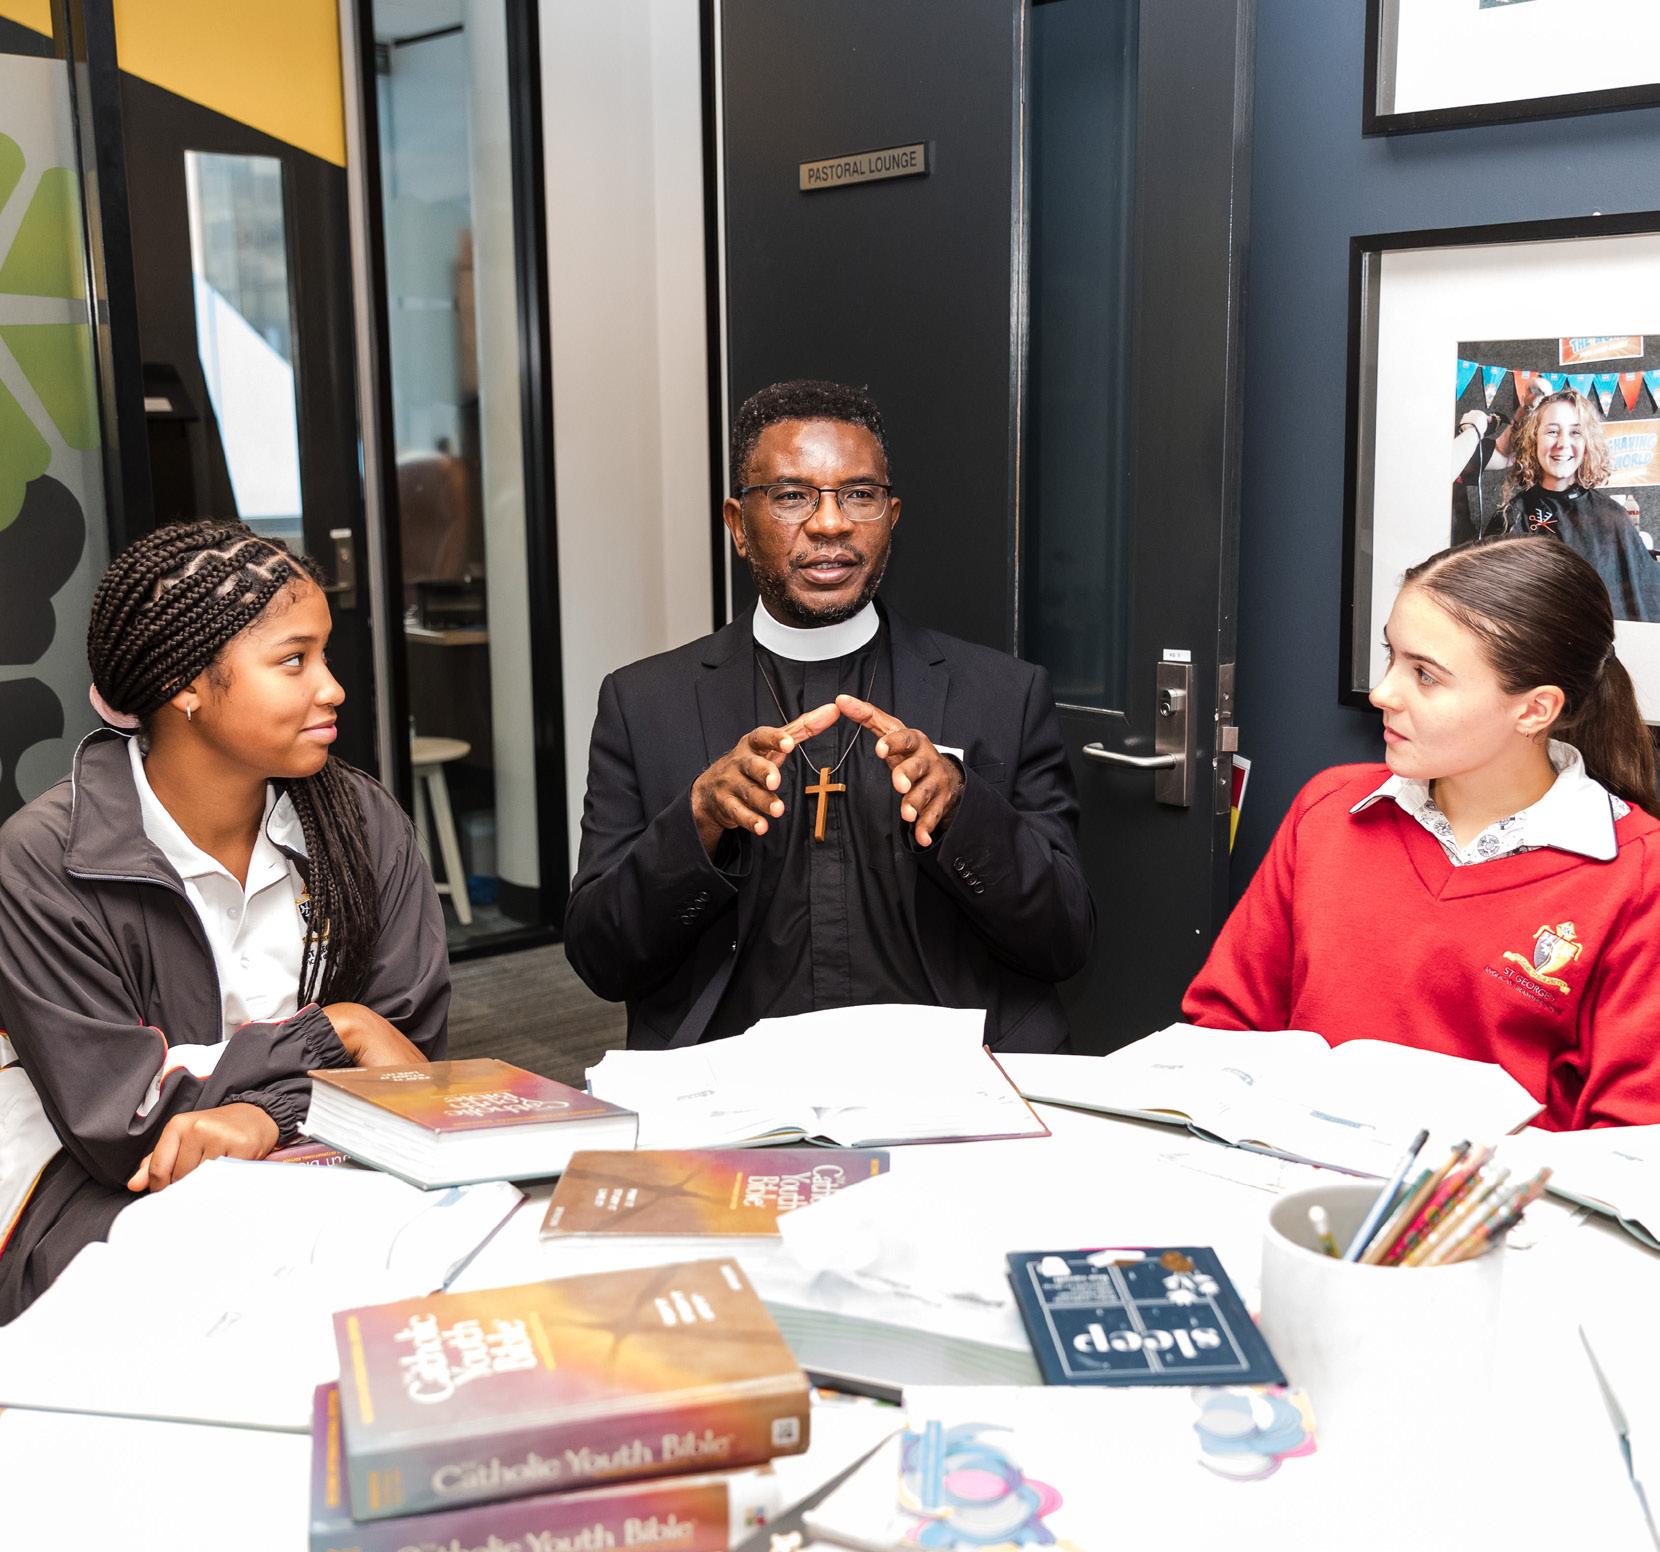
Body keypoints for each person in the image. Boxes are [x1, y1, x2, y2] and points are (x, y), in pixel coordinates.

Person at [0, 520, 447, 1322]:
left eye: (324, 654)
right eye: (294, 660)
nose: (332, 687)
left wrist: (263, 1112)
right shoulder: (44, 859)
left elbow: (407, 1061)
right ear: (186, 685)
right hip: (105, 1204)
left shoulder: (360, 821)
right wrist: (334, 1031)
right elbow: (127, 1124)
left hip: (329, 1169)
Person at [564, 379, 1094, 1052]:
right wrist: (697, 823)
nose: (831, 524)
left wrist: (965, 811)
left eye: (859, 495)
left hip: (951, 1075)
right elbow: (601, 958)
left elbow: (1064, 940)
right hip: (730, 1080)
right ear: (737, 525)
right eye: (792, 495)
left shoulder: (1002, 694)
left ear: (891, 516)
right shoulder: (644, 704)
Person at [1184, 536, 1660, 1130]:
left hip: (1482, 1191)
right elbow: (1224, 1025)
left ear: (1534, 710)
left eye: (1426, 676)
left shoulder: (1639, 874)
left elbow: (1631, 1134)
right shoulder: (1329, 808)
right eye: (1392, 657)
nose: (1383, 693)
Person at [1485, 388, 1660, 621]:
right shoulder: (1511, 517)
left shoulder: (1612, 516)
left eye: (1575, 432)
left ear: (1587, 443)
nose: (1563, 443)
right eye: (1552, 431)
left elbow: (1646, 596)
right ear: (1534, 439)